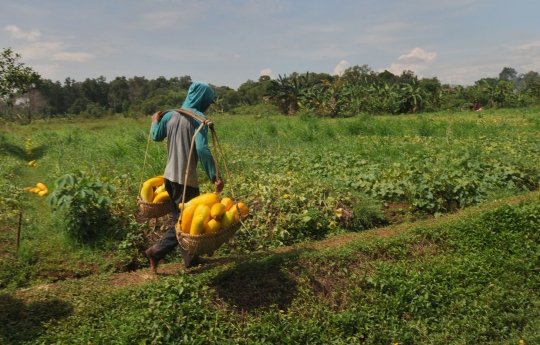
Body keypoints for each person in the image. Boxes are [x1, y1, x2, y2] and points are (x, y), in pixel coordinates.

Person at [145, 81, 224, 272]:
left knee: (180, 219)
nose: (207, 105)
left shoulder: (171, 115)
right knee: (183, 224)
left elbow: (156, 136)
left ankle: (190, 259)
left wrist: (155, 121)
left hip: (169, 178)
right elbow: (202, 150)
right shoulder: (199, 118)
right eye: (208, 101)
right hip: (185, 179)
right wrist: (215, 176)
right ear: (203, 99)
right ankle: (155, 252)